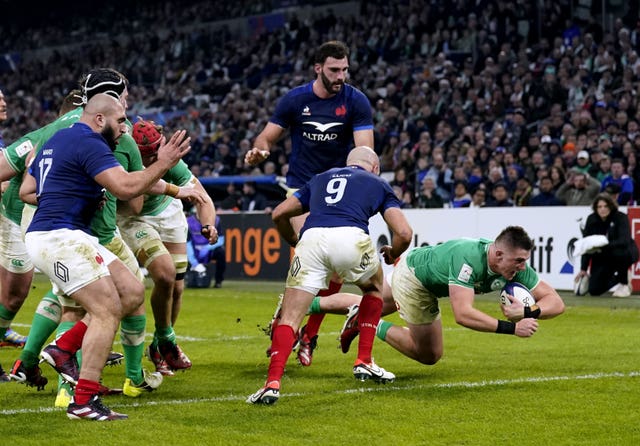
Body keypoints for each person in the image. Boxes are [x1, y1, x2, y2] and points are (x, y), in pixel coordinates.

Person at [8, 72, 203, 405]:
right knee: (104, 310)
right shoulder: (92, 142)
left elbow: (27, 190)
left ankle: (56, 353)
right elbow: (128, 188)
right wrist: (166, 163)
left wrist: (67, 192)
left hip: (64, 234)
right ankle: (83, 396)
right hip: (67, 237)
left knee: (129, 292)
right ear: (100, 117)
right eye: (122, 117)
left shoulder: (56, 136)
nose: (126, 125)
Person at [247, 146, 412, 405]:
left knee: (290, 315)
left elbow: (279, 213)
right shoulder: (377, 183)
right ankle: (364, 361)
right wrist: (392, 253)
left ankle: (272, 384)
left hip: (311, 239)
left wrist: (293, 239)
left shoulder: (321, 178)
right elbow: (404, 233)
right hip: (350, 237)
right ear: (375, 167)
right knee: (373, 289)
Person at [244, 40, 375, 367]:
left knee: (333, 272)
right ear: (318, 68)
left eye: (345, 69)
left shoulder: (356, 101)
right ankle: (291, 328)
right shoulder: (295, 100)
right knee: (310, 266)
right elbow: (266, 137)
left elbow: (365, 151)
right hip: (302, 191)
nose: (341, 75)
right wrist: (260, 150)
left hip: (339, 191)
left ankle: (307, 333)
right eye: (334, 69)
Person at [338, 226, 565, 367]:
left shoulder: (517, 269)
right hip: (416, 281)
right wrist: (513, 328)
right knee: (429, 354)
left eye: (525, 260)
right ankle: (372, 323)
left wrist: (527, 311)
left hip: (417, 263)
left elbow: (556, 302)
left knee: (369, 302)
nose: (523, 267)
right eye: (518, 260)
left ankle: (313, 305)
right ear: (498, 254)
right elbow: (463, 314)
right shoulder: (468, 259)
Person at [119, 118, 218, 376]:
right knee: (164, 274)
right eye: (148, 157)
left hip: (168, 211)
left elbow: (202, 197)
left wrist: (208, 225)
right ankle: (165, 337)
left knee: (177, 285)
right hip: (133, 218)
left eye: (156, 155)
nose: (153, 161)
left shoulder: (171, 160)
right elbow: (136, 191)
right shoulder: (124, 154)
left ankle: (160, 345)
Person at [575, 193, 639, 297]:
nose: (602, 209)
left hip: (623, 253)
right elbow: (586, 245)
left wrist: (602, 246)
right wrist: (583, 269)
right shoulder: (591, 220)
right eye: (599, 207)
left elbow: (624, 240)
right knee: (594, 290)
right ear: (595, 208)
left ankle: (624, 283)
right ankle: (622, 277)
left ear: (611, 206)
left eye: (605, 206)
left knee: (621, 252)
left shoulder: (620, 217)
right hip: (603, 256)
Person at [186, 211, 225, 288]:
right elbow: (187, 242)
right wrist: (193, 260)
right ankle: (183, 279)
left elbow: (220, 239)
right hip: (193, 252)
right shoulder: (188, 222)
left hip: (209, 251)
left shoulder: (216, 220)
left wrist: (207, 248)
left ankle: (218, 281)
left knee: (221, 252)